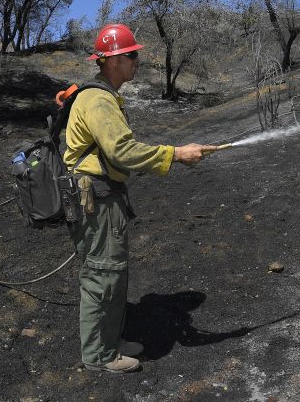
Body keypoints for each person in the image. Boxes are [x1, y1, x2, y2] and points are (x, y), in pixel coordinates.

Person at [63, 23, 217, 373]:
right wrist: (176, 154)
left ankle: (109, 341)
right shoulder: (98, 99)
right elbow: (122, 151)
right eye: (132, 55)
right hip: (95, 201)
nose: (136, 61)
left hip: (104, 199)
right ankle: (98, 355)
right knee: (102, 275)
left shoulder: (103, 96)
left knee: (112, 273)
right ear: (113, 61)